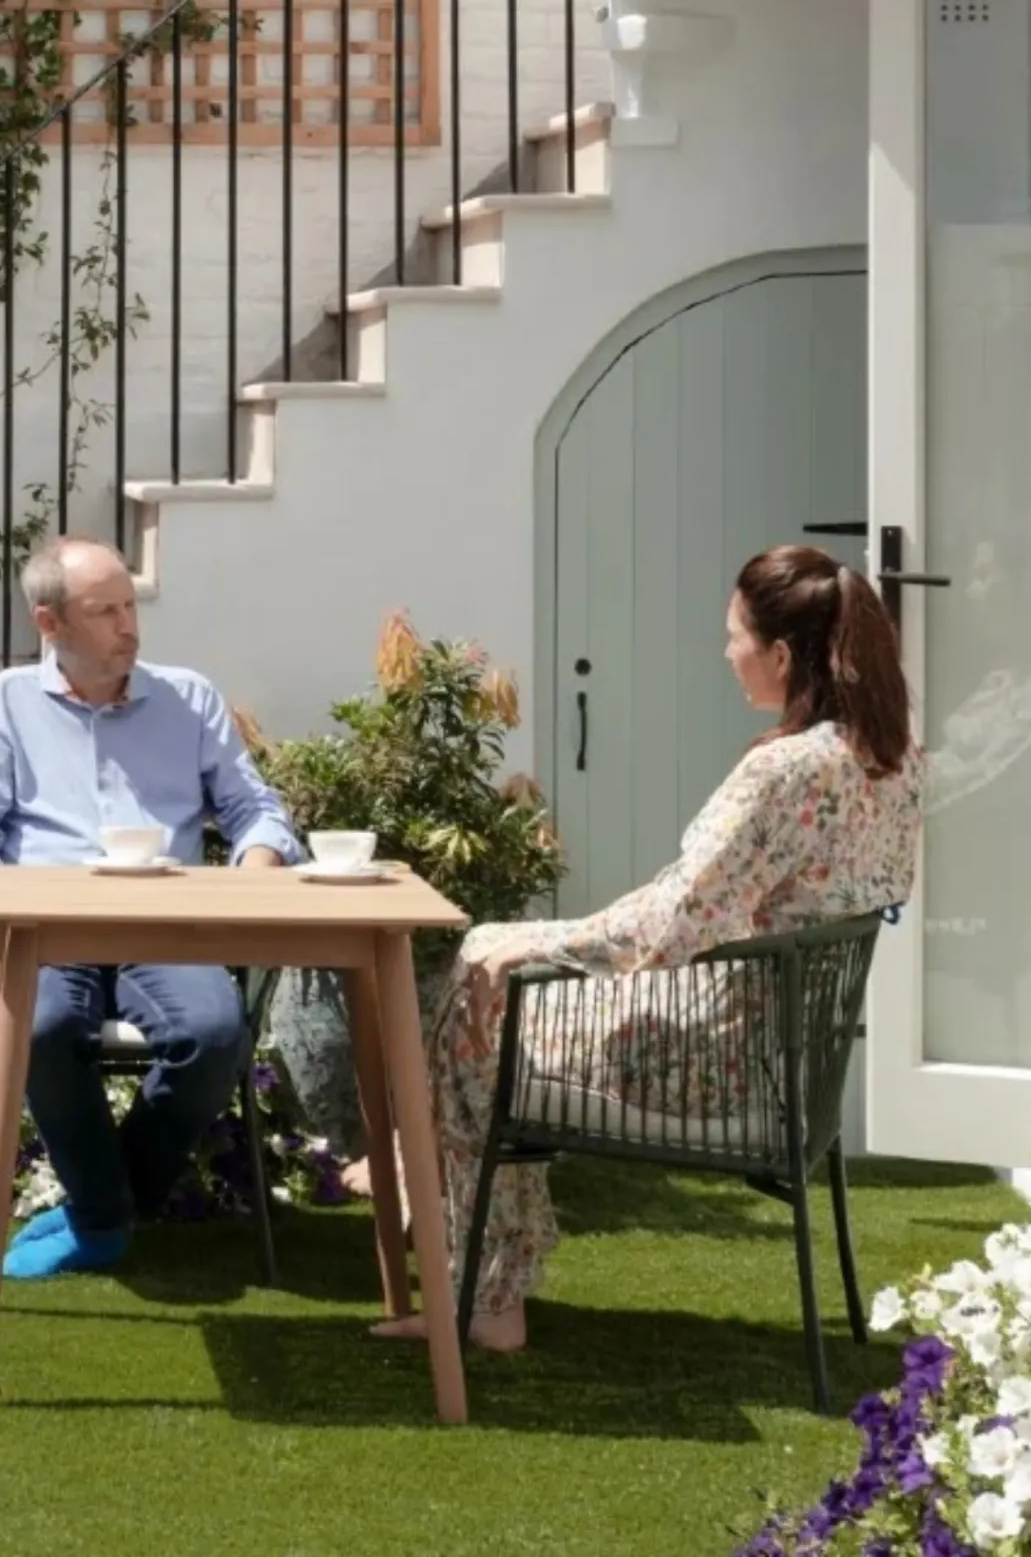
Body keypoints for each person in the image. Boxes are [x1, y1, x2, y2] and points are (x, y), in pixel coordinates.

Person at [386, 543, 923, 1354]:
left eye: (734, 636)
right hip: (795, 1060)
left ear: (781, 655)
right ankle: (439, 1205)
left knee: (474, 1006)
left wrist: (530, 941)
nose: (726, 654)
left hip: (718, 1064)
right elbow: (697, 910)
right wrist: (533, 940)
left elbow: (674, 922)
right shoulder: (895, 763)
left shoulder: (784, 772)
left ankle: (482, 1281)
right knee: (488, 976)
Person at [0, 536, 300, 1281]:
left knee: (214, 1033)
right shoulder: (4, 703)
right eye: (106, 611)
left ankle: (102, 1210)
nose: (129, 626)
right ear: (50, 623)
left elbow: (256, 809)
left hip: (167, 927)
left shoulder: (188, 698)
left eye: (130, 605)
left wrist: (253, 875)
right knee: (38, 1028)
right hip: (49, 927)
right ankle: (105, 1217)